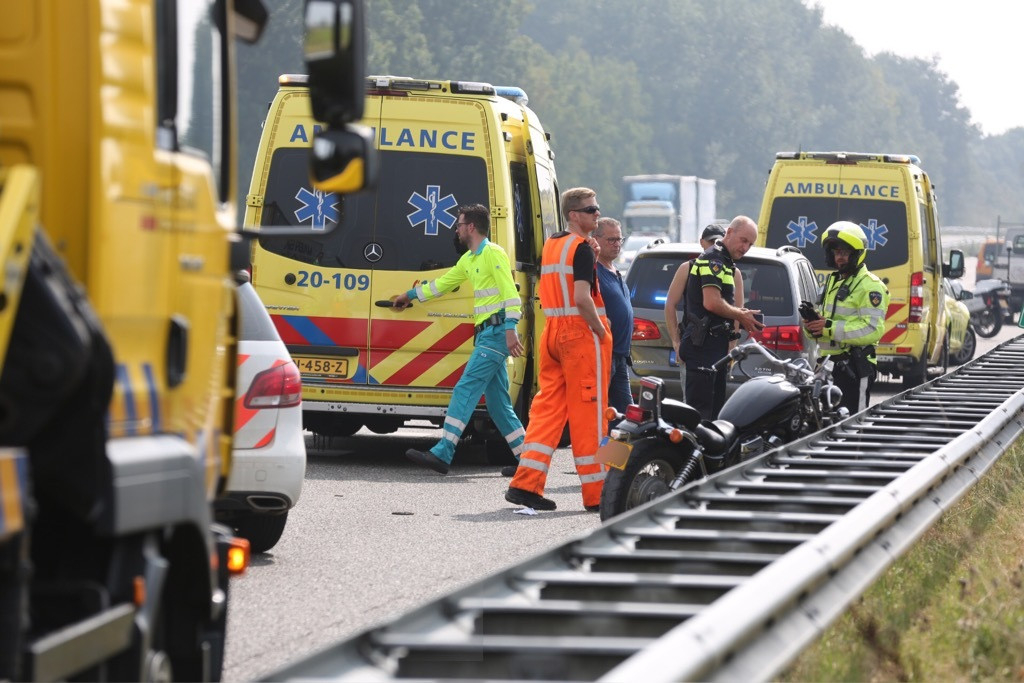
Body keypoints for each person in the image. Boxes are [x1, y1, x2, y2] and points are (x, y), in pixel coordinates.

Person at [395, 204, 526, 474]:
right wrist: (409, 295)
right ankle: (529, 462)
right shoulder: (469, 259)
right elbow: (443, 284)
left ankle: (444, 451)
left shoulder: (493, 253)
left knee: (465, 389)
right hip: (488, 334)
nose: (456, 229)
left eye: (459, 224)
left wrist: (510, 328)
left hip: (496, 332)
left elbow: (510, 293)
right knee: (498, 403)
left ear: (471, 227)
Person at [505, 187, 612, 512]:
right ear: (574, 215)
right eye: (592, 210)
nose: (597, 214)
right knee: (591, 417)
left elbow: (563, 285)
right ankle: (598, 494)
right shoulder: (579, 248)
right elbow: (581, 297)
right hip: (579, 338)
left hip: (552, 332)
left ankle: (525, 485)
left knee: (547, 411)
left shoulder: (554, 244)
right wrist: (601, 331)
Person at [680, 216, 763, 420]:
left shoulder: (725, 262)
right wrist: (741, 315)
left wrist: (734, 334)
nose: (746, 247)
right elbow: (711, 302)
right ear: (729, 232)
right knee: (700, 416)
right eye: (743, 240)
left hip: (715, 347)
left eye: (750, 244)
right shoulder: (713, 259)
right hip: (702, 347)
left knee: (714, 413)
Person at [803, 221, 889, 414]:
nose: (839, 257)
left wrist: (829, 328)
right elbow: (826, 326)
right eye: (836, 252)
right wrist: (813, 327)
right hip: (826, 366)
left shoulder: (870, 286)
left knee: (851, 426)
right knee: (820, 423)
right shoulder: (833, 282)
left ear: (857, 253)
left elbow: (871, 329)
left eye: (844, 252)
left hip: (854, 368)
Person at [664, 223, 746, 394]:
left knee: (714, 404)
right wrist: (676, 342)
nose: (715, 246)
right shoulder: (688, 267)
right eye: (711, 241)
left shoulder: (733, 271)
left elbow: (738, 310)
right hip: (695, 343)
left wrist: (732, 345)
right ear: (702, 242)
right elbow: (670, 304)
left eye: (718, 241)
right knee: (693, 405)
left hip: (719, 346)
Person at [593, 217, 634, 414]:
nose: (617, 244)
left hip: (620, 356)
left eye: (620, 239)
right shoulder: (595, 271)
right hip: (604, 354)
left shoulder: (615, 270)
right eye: (611, 240)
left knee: (625, 414)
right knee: (600, 410)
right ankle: (597, 445)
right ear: (596, 239)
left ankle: (614, 445)